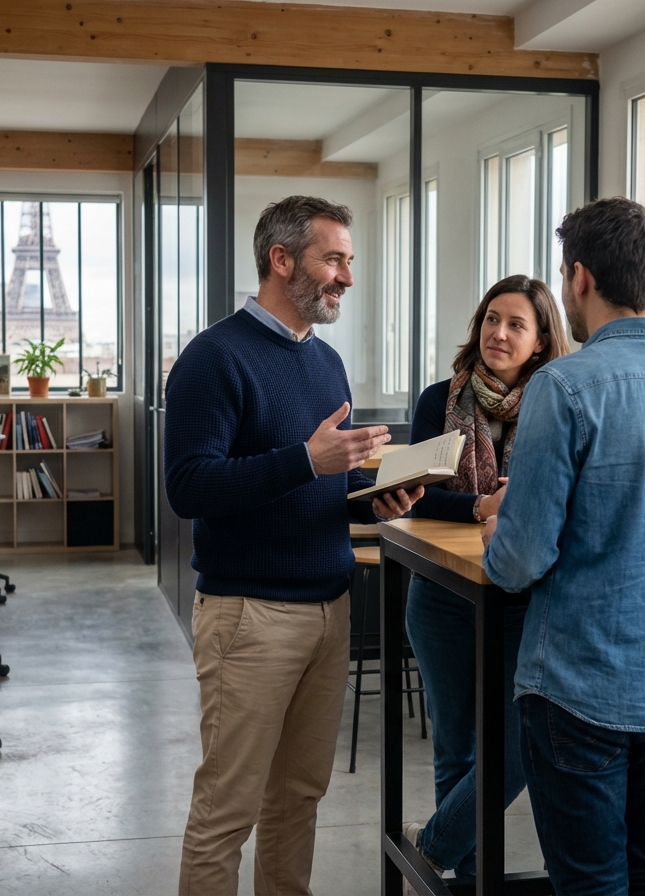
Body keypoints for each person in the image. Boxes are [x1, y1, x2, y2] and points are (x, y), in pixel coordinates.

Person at [480, 196, 645, 895]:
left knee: (591, 882)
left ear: (577, 279)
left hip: (580, 684)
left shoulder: (563, 387)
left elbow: (520, 561)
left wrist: (496, 534)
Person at [164, 195, 424, 896]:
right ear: (281, 260)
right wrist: (308, 461)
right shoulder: (213, 357)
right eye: (333, 258)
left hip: (329, 610)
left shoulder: (326, 364)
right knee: (228, 812)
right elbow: (189, 487)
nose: (346, 275)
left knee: (299, 798)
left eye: (348, 260)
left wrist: (377, 494)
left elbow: (324, 480)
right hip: (250, 617)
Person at [402, 274, 570, 880]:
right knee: (456, 746)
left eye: (516, 324)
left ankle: (436, 846)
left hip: (523, 599)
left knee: (522, 742)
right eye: (491, 319)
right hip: (443, 594)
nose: (498, 333)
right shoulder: (437, 400)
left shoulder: (560, 405)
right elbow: (416, 496)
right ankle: (470, 880)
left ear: (543, 339)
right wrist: (481, 507)